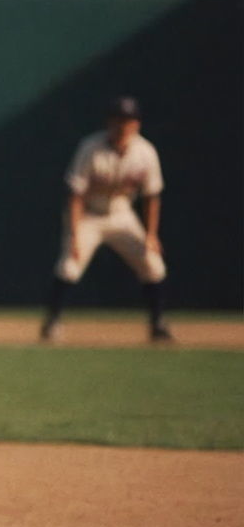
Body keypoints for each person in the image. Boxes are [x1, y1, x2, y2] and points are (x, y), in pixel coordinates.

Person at [41, 97, 168, 343]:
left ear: (137, 124)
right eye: (118, 119)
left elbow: (152, 196)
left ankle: (158, 324)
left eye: (129, 120)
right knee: (69, 265)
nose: (123, 125)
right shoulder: (90, 148)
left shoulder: (145, 152)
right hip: (89, 214)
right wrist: (75, 234)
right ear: (109, 121)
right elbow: (75, 195)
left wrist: (151, 235)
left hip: (122, 215)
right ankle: (52, 321)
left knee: (153, 264)